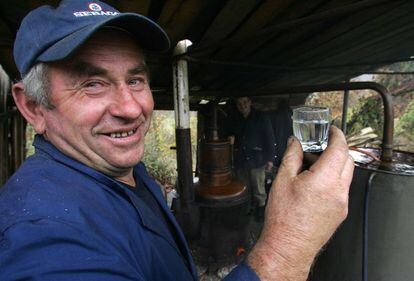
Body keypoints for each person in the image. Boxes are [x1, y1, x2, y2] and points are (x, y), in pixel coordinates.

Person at [0, 1, 354, 280]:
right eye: (93, 83)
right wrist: (289, 245)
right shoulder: (45, 235)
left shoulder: (122, 168)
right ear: (33, 107)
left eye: (136, 79)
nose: (130, 107)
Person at [226, 97, 275, 219]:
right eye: (239, 103)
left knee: (258, 188)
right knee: (243, 187)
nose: (242, 105)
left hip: (257, 159)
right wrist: (230, 137)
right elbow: (229, 133)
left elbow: (269, 137)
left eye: (244, 102)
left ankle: (260, 212)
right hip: (240, 159)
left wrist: (270, 159)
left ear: (250, 102)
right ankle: (247, 211)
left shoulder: (261, 117)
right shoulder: (234, 118)